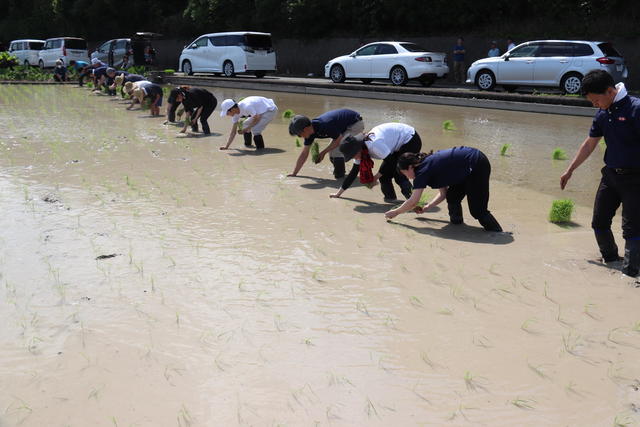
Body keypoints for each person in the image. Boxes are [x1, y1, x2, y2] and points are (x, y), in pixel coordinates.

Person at [560, 70, 640, 277]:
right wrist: (570, 170)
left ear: (610, 91)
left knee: (632, 228)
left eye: (596, 100)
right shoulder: (603, 112)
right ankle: (611, 259)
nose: (595, 105)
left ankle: (631, 274)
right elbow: (589, 144)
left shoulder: (635, 109)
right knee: (599, 221)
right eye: (591, 102)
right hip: (611, 176)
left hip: (635, 179)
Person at [384, 147, 503, 232]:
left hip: (477, 164)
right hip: (467, 167)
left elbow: (413, 201)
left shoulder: (421, 172)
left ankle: (497, 233)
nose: (407, 177)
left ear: (410, 167)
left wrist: (395, 212)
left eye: (405, 173)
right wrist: (427, 207)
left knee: (478, 210)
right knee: (452, 197)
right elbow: (443, 194)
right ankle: (457, 225)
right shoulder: (426, 166)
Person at [331, 122, 422, 201]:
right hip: (395, 145)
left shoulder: (374, 145)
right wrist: (339, 193)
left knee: (399, 173)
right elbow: (353, 173)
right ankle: (391, 199)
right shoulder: (360, 150)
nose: (353, 158)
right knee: (384, 177)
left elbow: (391, 162)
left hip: (410, 139)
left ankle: (414, 201)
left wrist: (375, 178)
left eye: (352, 156)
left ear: (357, 150)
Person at [287, 109, 364, 178]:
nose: (299, 137)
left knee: (336, 151)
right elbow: (304, 153)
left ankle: (340, 176)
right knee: (332, 153)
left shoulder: (325, 125)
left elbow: (338, 140)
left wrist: (323, 153)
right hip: (343, 127)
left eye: (299, 134)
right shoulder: (309, 134)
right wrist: (294, 173)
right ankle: (342, 172)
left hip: (355, 123)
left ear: (305, 129)